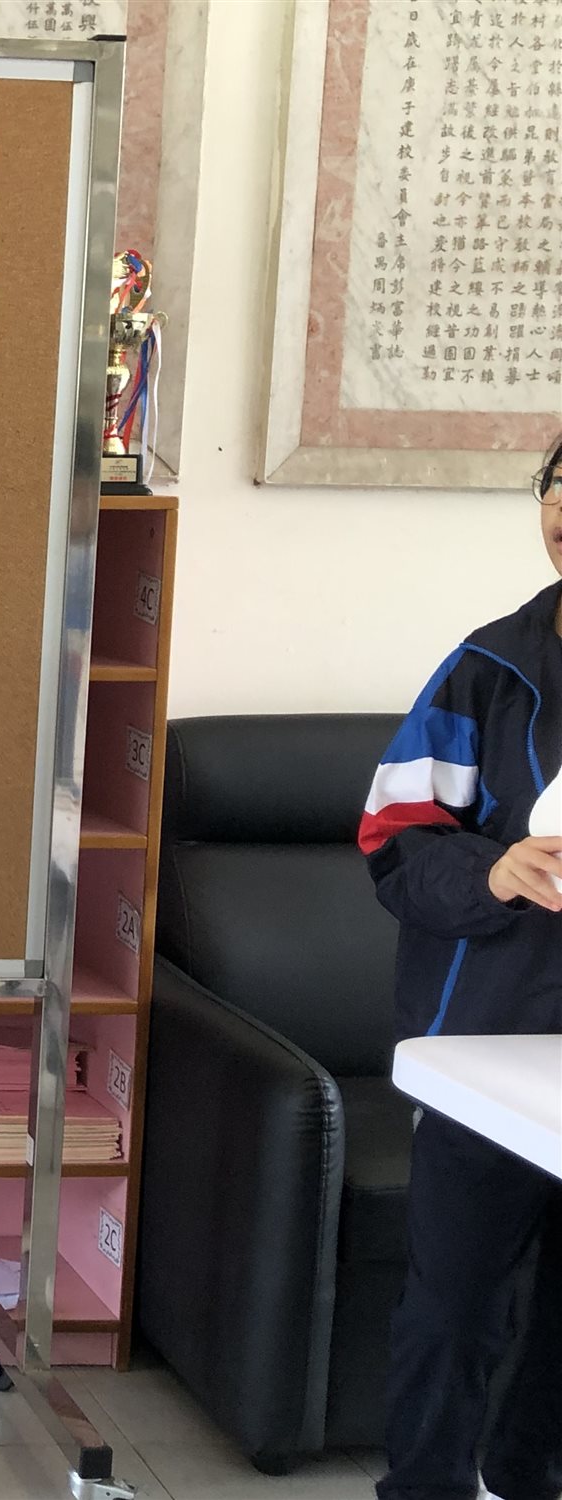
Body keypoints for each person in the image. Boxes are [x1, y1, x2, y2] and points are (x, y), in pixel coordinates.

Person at [359, 432, 562, 1500]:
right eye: (559, 485)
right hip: (487, 1042)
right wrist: (496, 871)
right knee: (452, 1307)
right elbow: (392, 841)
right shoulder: (489, 669)